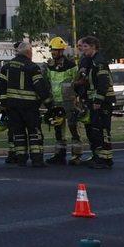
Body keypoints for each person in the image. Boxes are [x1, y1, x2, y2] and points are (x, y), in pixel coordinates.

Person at [0, 39, 51, 167]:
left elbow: (2, 89)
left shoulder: (6, 67)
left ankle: (21, 158)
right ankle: (36, 159)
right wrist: (49, 104)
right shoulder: (32, 67)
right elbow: (40, 87)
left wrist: (4, 105)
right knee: (34, 132)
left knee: (18, 132)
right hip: (30, 106)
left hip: (13, 107)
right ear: (28, 52)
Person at [75, 35, 114, 169]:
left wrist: (98, 100)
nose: (83, 49)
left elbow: (103, 82)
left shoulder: (99, 61)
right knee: (94, 129)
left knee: (102, 129)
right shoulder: (90, 61)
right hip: (92, 100)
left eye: (85, 46)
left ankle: (105, 158)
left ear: (93, 47)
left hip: (102, 102)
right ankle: (98, 156)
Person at [45, 37, 82, 165]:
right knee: (58, 130)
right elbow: (49, 83)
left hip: (69, 102)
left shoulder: (71, 66)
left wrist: (76, 99)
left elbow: (77, 83)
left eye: (55, 50)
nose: (53, 52)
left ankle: (76, 155)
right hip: (56, 102)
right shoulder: (50, 66)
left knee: (74, 128)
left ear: (61, 51)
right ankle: (59, 155)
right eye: (52, 50)